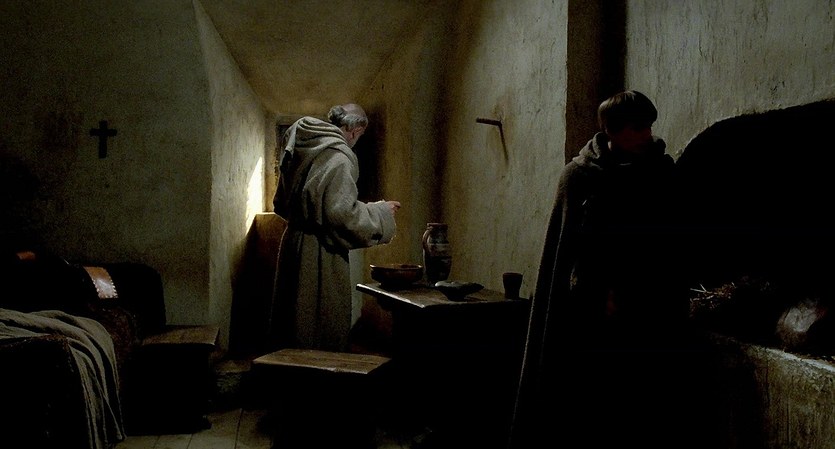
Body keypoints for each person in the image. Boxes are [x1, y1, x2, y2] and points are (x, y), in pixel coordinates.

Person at [509, 90, 702, 448]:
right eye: (635, 128)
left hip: (651, 310)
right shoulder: (580, 177)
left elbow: (672, 241)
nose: (646, 135)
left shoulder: (661, 172)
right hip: (591, 313)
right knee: (592, 406)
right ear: (611, 131)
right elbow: (569, 251)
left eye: (648, 126)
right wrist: (597, 293)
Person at [269, 103, 401, 352]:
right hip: (319, 253)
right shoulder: (338, 157)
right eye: (359, 136)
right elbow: (341, 215)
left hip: (293, 244)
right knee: (316, 325)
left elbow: (284, 203)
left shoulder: (304, 145)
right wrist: (381, 212)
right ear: (355, 130)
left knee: (292, 324)